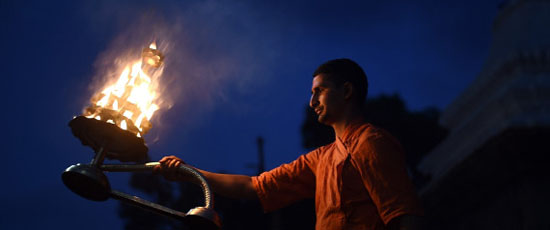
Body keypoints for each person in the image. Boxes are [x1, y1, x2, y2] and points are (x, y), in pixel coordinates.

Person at [154, 58, 423, 230]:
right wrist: (189, 173)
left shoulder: (371, 143)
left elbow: (404, 217)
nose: (312, 102)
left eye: (320, 91)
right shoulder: (320, 159)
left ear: (347, 91)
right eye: (311, 93)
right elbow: (252, 186)